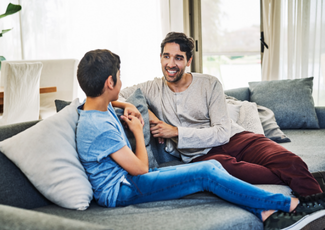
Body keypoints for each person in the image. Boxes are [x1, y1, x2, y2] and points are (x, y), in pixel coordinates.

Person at [76, 49, 325, 230]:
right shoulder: (98, 128)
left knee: (214, 167)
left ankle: (265, 212)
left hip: (128, 181)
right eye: (119, 77)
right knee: (206, 172)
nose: (122, 81)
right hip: (123, 189)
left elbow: (111, 101)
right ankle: (288, 204)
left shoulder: (98, 105)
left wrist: (126, 103)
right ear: (109, 82)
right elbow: (140, 169)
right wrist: (139, 128)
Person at [119, 32, 323, 198]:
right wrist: (152, 117)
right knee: (255, 173)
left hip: (237, 139)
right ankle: (308, 185)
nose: (171, 64)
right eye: (166, 56)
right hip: (200, 156)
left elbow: (222, 132)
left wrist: (175, 131)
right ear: (161, 57)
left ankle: (316, 208)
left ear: (188, 60)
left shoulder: (209, 83)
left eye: (178, 58)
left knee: (290, 161)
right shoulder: (152, 87)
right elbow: (115, 94)